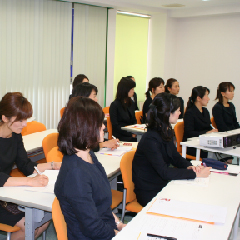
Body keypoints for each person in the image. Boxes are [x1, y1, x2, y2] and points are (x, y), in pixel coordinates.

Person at [54, 97, 126, 240]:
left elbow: (101, 206)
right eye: (100, 124)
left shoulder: (89, 155)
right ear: (85, 127)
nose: (104, 127)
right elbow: (92, 228)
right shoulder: (76, 173)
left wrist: (119, 224)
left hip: (105, 230)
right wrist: (119, 235)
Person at [0, 92, 61, 240]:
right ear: (4, 118)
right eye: (20, 120)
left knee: (42, 221)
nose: (25, 124)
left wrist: (53, 165)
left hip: (5, 193)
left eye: (25, 119)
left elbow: (25, 165)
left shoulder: (15, 134)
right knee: (29, 223)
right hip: (3, 191)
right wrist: (29, 181)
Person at [132, 93, 211, 207]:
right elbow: (164, 172)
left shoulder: (166, 131)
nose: (180, 113)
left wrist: (189, 166)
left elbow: (175, 157)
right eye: (178, 110)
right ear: (168, 113)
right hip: (149, 191)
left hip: (162, 184)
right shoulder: (150, 139)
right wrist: (194, 174)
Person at [71, 82, 119, 150]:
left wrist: (108, 142)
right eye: (94, 96)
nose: (96, 99)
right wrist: (104, 144)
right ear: (84, 97)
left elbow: (93, 139)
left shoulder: (88, 115)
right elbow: (82, 146)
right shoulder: (76, 119)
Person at [183, 86, 218, 158]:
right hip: (193, 145)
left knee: (220, 150)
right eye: (207, 96)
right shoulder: (189, 113)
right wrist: (206, 133)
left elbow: (208, 127)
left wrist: (213, 131)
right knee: (216, 154)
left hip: (204, 143)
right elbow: (189, 132)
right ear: (199, 98)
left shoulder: (205, 111)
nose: (208, 99)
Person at [110, 77, 137, 142]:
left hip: (131, 132)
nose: (133, 91)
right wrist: (130, 134)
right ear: (125, 90)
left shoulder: (131, 103)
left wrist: (134, 132)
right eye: (132, 89)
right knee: (137, 140)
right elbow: (115, 126)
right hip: (120, 135)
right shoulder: (115, 105)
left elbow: (134, 120)